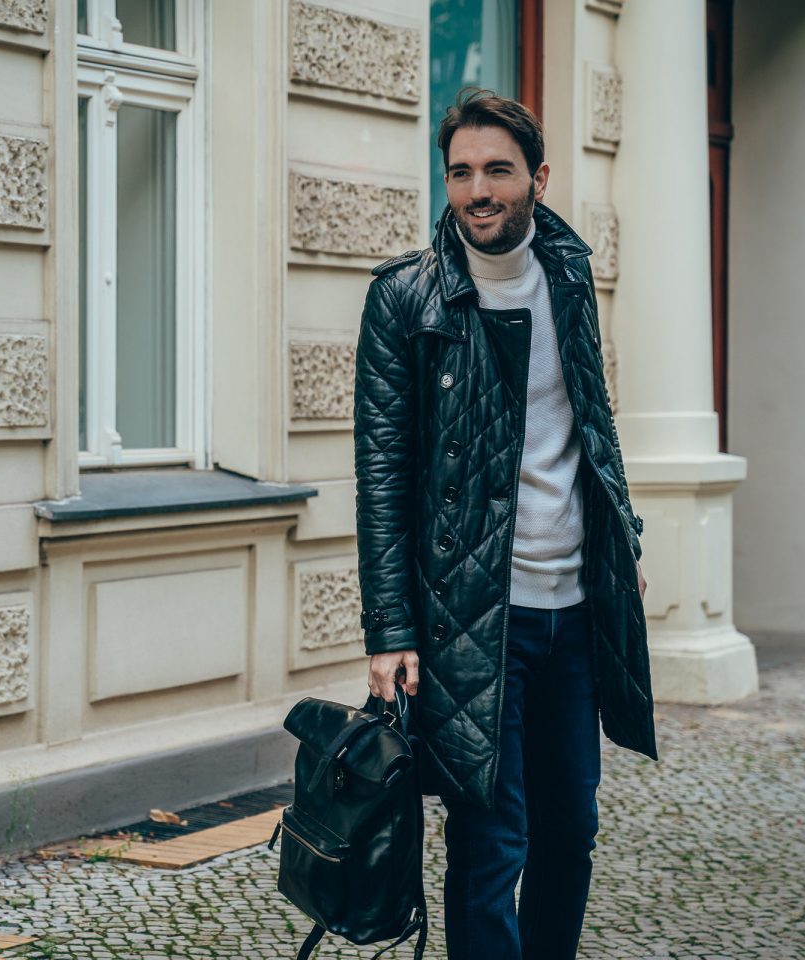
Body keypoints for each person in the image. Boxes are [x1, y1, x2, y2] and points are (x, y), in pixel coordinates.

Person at [352, 89, 657, 960]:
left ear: (538, 178)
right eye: (460, 173)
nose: (477, 191)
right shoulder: (405, 298)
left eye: (497, 170)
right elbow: (381, 474)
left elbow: (592, 421)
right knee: (492, 845)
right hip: (472, 617)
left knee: (572, 832)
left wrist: (622, 539)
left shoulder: (569, 274)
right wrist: (390, 628)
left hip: (575, 610)